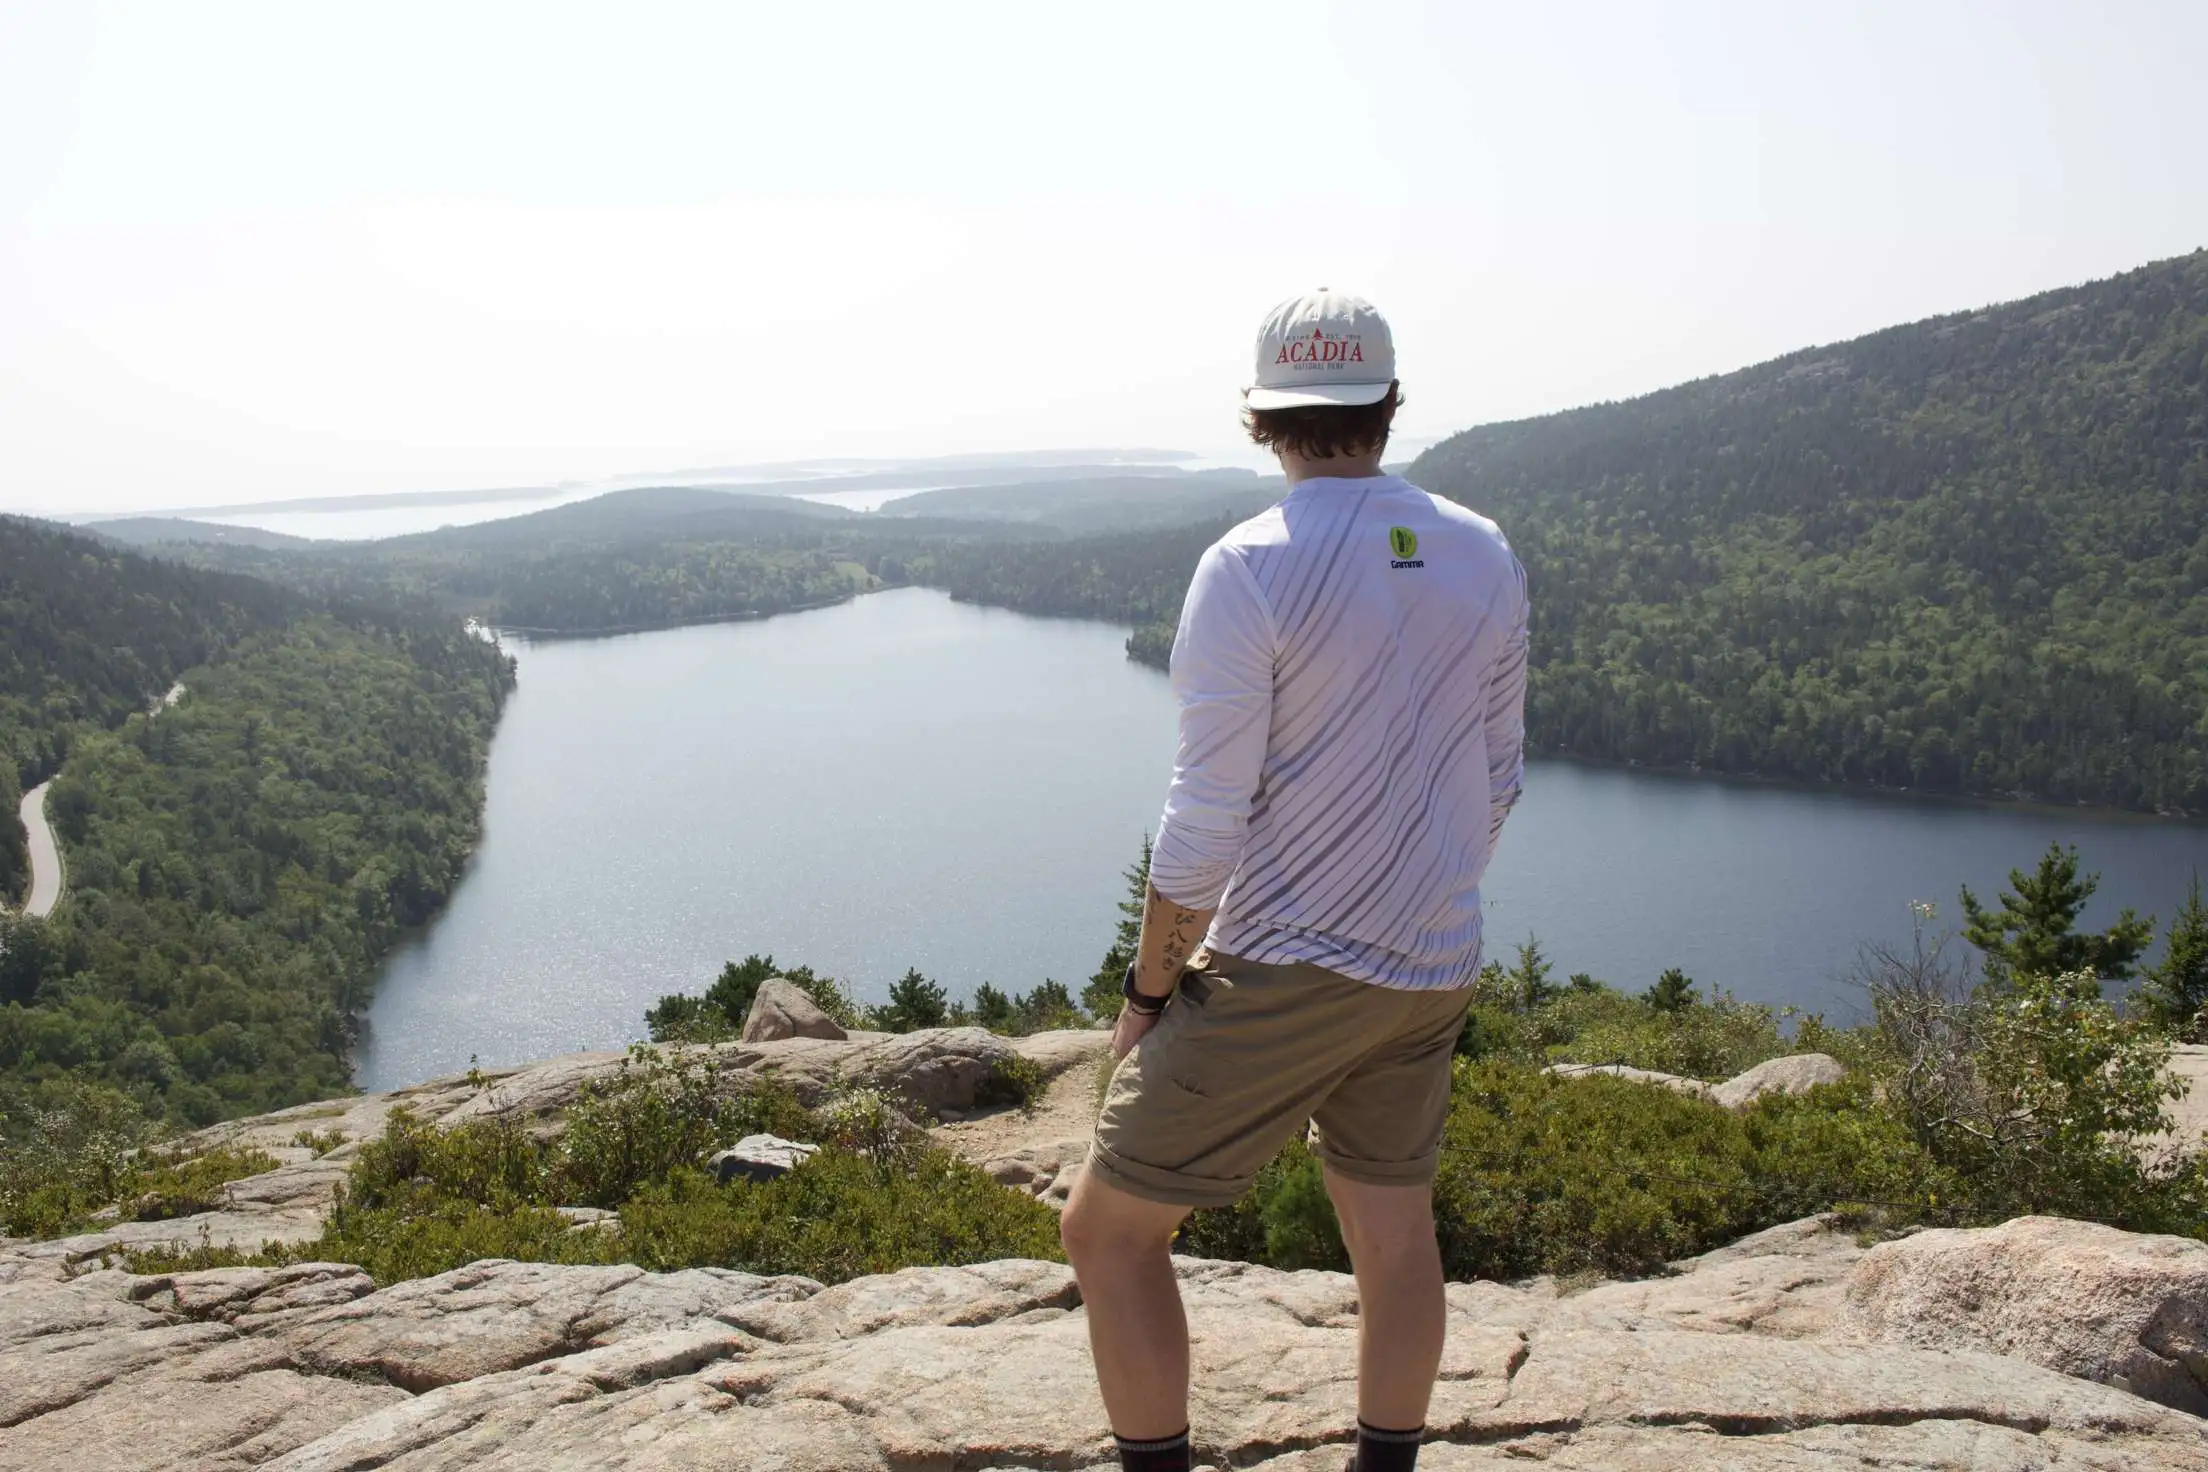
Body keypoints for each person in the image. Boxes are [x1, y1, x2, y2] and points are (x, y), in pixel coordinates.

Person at [1058, 289, 1530, 1472]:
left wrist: (1149, 988)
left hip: (1285, 963)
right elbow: (1500, 774)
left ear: (1261, 418)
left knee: (1107, 1231)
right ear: (1389, 406)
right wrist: (1420, 895)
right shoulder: (1481, 550)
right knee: (1392, 1227)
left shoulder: (1249, 566)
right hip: (1432, 958)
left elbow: (1204, 819)